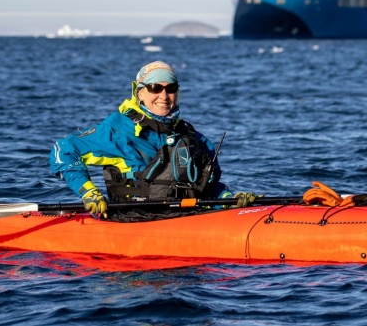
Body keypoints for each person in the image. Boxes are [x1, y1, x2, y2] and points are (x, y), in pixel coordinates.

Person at [50, 61, 259, 217]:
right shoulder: (117, 130)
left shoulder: (194, 139)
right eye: (155, 88)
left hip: (188, 219)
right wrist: (88, 192)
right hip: (134, 221)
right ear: (139, 93)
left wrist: (227, 198)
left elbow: (207, 186)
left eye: (171, 88)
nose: (164, 95)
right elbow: (63, 150)